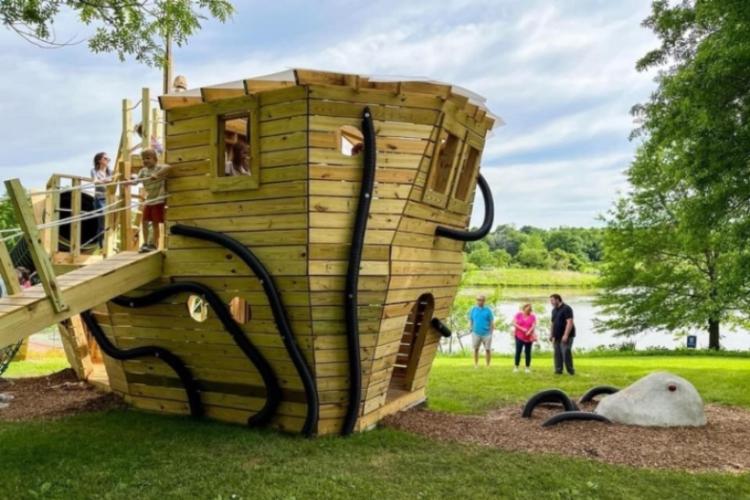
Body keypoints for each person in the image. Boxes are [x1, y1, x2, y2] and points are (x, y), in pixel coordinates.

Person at [130, 149, 171, 253]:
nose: (145, 161)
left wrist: (157, 175)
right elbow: (136, 182)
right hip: (149, 200)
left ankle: (153, 244)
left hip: (158, 200)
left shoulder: (158, 168)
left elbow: (168, 167)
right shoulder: (143, 171)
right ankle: (146, 243)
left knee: (154, 223)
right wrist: (129, 181)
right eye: (143, 159)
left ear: (155, 159)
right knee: (144, 221)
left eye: (148, 158)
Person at [90, 152, 115, 248]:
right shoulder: (94, 171)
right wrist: (106, 180)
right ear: (99, 160)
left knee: (110, 220)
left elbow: (118, 178)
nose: (108, 160)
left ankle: (108, 244)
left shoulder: (110, 172)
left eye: (108, 159)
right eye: (105, 158)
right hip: (99, 198)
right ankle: (101, 245)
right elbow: (95, 181)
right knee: (103, 220)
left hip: (109, 198)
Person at [549, 293, 576, 375]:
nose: (551, 302)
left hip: (566, 335)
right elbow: (553, 323)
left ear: (558, 299)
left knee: (565, 352)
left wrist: (566, 335)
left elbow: (570, 322)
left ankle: (570, 371)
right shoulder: (554, 310)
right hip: (556, 335)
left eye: (552, 300)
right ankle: (558, 370)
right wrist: (551, 334)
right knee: (557, 353)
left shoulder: (566, 308)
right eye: (550, 301)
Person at [469, 294, 494, 367]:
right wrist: (470, 327)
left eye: (482, 300)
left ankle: (488, 365)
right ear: (476, 301)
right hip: (476, 333)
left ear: (484, 301)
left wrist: (491, 332)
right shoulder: (473, 309)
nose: (480, 301)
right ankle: (476, 364)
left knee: (487, 350)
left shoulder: (488, 310)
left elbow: (491, 321)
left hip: (487, 333)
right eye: (478, 300)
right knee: (476, 349)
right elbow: (471, 320)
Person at [513, 303, 536, 373]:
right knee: (518, 352)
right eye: (527, 309)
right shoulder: (518, 315)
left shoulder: (533, 316)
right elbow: (514, 323)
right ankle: (516, 367)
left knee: (528, 353)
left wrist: (530, 331)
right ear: (524, 309)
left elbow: (534, 325)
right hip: (519, 336)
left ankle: (527, 368)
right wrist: (522, 329)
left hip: (528, 337)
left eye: (530, 310)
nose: (529, 311)